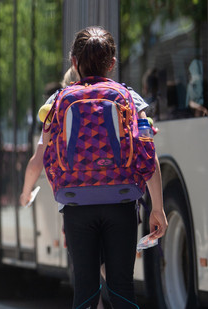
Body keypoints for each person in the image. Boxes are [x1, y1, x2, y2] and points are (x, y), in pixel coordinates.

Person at [21, 26, 168, 309]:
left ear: (74, 63)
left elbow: (42, 154)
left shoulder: (56, 102)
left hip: (76, 204)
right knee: (122, 287)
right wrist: (157, 208)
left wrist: (29, 190)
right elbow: (149, 155)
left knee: (86, 290)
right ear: (112, 64)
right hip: (122, 201)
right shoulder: (129, 98)